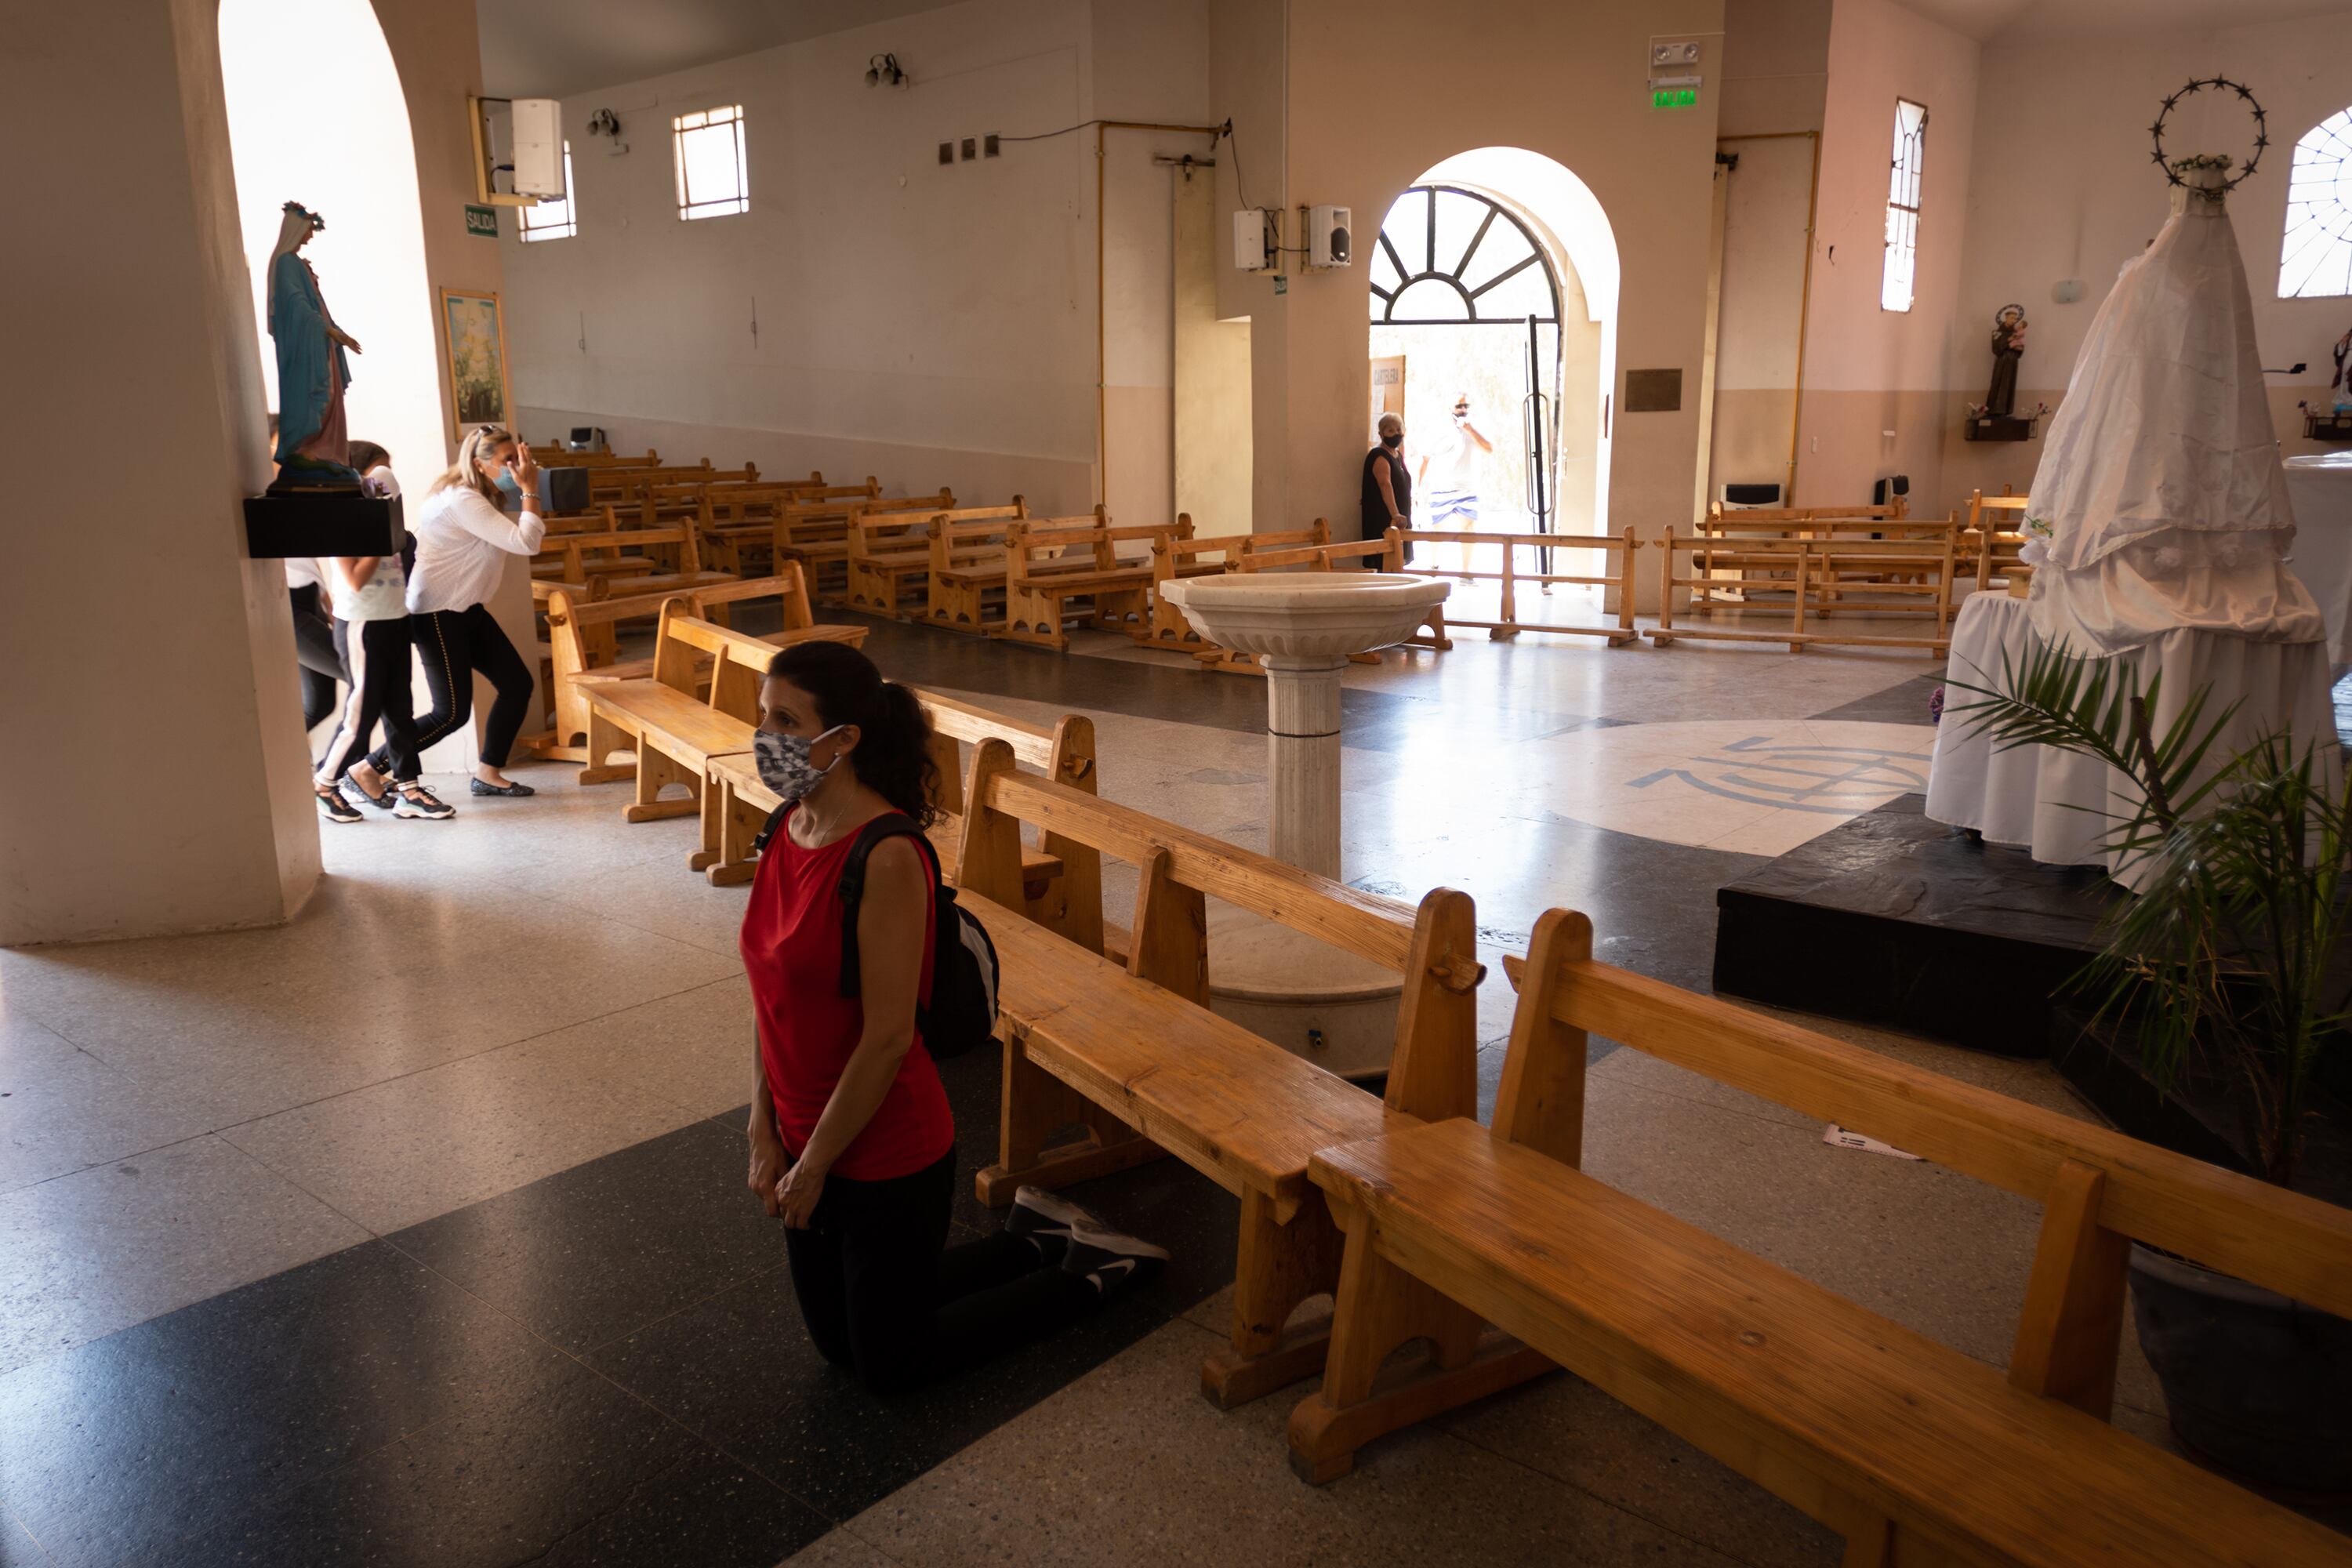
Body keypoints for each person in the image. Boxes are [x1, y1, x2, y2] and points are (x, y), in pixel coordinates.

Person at [741, 641, 1167, 1395]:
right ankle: (1031, 1239)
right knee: (838, 1346)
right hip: (805, 1132)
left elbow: (888, 1039)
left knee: (892, 1370)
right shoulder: (785, 828)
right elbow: (769, 997)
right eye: (762, 714)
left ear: (843, 742)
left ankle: (1096, 1271)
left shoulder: (887, 855)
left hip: (887, 1152)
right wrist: (762, 1130)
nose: (765, 736)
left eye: (785, 720)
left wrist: (813, 1167)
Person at [368, 424, 542, 797]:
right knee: (450, 713)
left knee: (516, 684)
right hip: (437, 611)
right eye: (507, 460)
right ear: (481, 465)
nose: (516, 465)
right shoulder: (462, 499)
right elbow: (526, 542)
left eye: (519, 457)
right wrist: (529, 489)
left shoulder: (475, 494)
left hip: (466, 609)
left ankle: (488, 772)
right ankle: (368, 769)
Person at [312, 441, 449, 824]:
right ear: (359, 476)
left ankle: (408, 790)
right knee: (361, 715)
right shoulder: (340, 520)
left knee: (400, 712)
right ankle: (324, 784)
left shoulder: (383, 520)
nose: (386, 481)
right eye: (379, 472)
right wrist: (381, 534)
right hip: (362, 625)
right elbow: (354, 581)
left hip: (393, 618)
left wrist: (388, 527)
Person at [266, 201, 362, 489]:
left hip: (321, 342)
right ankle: (306, 449)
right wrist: (328, 331)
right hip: (306, 345)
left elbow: (318, 306)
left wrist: (336, 331)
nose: (309, 237)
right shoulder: (285, 263)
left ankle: (324, 452)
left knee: (331, 397)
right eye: (307, 231)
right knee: (316, 394)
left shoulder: (296, 263)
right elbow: (295, 305)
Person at [1417, 394, 1494, 577]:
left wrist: (1471, 431)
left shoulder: (1474, 429)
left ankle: (1466, 572)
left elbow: (1489, 448)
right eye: (1459, 406)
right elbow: (1425, 460)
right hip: (1441, 487)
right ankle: (1434, 567)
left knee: (1468, 530)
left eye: (1466, 405)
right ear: (1450, 408)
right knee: (1437, 528)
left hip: (1467, 488)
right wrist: (1419, 489)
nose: (1463, 409)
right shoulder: (1439, 430)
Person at [1362, 411, 1412, 558]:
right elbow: (1385, 484)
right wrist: (1395, 514)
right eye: (1390, 430)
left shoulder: (1397, 455)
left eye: (1398, 429)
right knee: (1385, 560)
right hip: (1385, 517)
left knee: (1399, 560)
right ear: (1381, 434)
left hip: (1402, 516)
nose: (1396, 433)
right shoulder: (1379, 455)